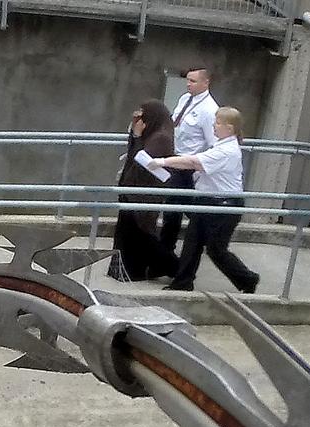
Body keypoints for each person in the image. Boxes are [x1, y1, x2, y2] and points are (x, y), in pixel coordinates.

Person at [148, 106, 259, 293]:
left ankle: (248, 279)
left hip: (224, 206)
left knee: (216, 250)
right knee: (192, 244)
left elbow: (194, 162)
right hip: (207, 201)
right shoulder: (221, 146)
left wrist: (162, 162)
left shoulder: (227, 151)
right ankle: (182, 283)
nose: (214, 126)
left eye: (217, 123)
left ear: (229, 128)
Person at [107, 99, 179, 282]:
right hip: (133, 191)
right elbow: (132, 153)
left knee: (142, 236)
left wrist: (138, 136)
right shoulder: (151, 134)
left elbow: (142, 161)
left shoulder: (160, 138)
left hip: (145, 193)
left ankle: (178, 270)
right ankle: (125, 271)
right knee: (128, 234)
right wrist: (135, 134)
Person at [160, 67, 219, 252]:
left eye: (193, 81)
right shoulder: (185, 99)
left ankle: (168, 249)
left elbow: (213, 144)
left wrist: (199, 169)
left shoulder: (210, 110)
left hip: (188, 165)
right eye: (187, 80)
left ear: (205, 82)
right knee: (175, 205)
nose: (188, 84)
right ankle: (204, 234)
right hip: (174, 158)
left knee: (175, 207)